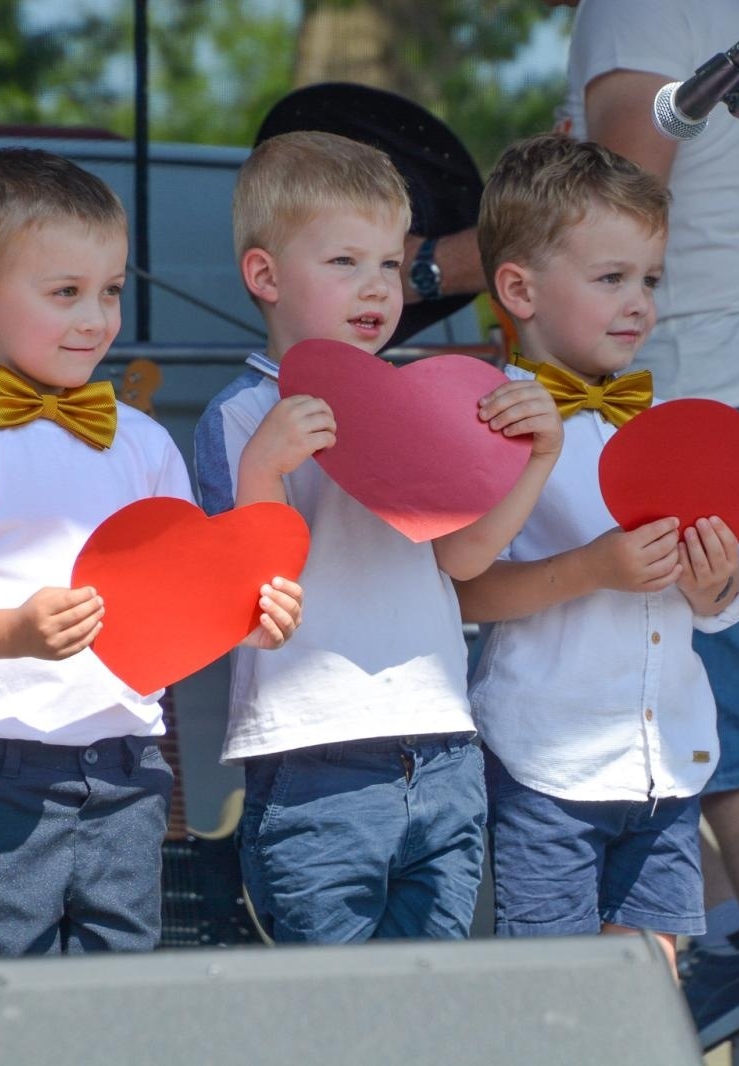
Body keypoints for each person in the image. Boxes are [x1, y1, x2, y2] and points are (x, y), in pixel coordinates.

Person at [0, 147, 302, 958]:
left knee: (120, 988)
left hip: (128, 763)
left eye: (110, 291)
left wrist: (247, 618)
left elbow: (185, 593)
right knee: (9, 991)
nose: (96, 319)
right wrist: (15, 634)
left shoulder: (143, 442)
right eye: (65, 293)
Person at [193, 130, 562, 943]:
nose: (377, 286)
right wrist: (264, 468)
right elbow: (241, 596)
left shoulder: (422, 404)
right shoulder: (240, 416)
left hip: (443, 747)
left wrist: (536, 462)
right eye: (344, 263)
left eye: (391, 264)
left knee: (429, 1005)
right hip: (314, 761)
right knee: (334, 1009)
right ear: (265, 276)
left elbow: (460, 560)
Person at [455, 133, 739, 968]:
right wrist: (593, 570)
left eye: (650, 280)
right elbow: (463, 588)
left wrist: (718, 580)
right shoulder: (491, 421)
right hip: (548, 758)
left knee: (652, 973)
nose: (640, 303)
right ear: (518, 289)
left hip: (666, 762)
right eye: (612, 278)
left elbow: (738, 584)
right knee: (557, 990)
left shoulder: (670, 422)